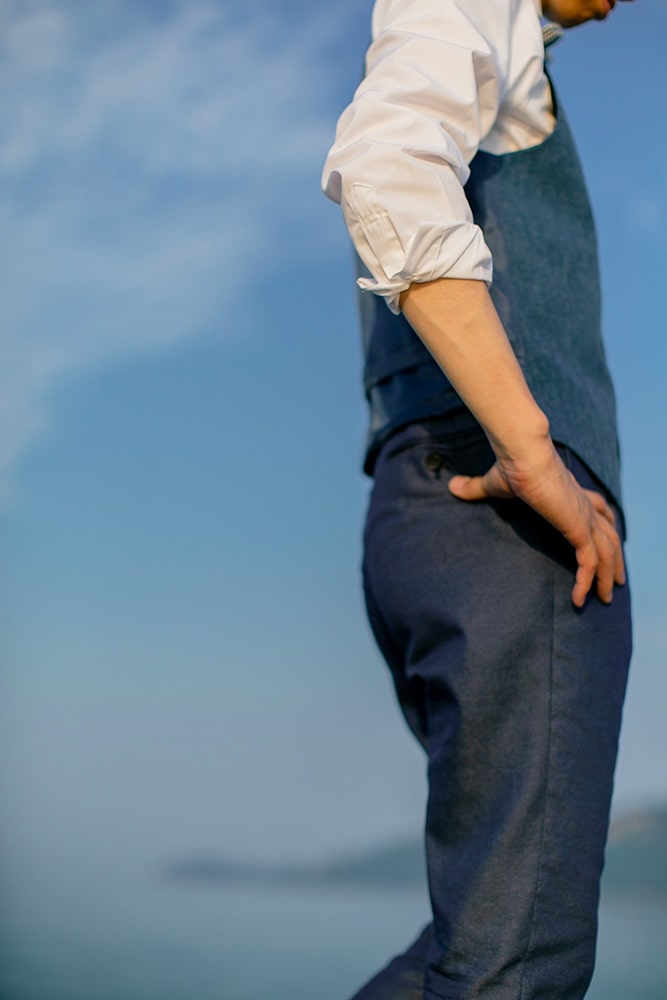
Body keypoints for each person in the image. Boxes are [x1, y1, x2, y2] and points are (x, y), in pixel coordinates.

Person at [322, 1, 635, 998]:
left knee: (479, 952)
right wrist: (533, 447)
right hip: (501, 515)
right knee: (510, 965)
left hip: (429, 511)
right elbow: (386, 163)